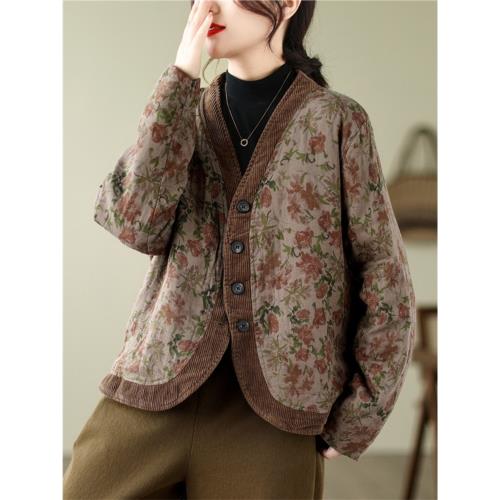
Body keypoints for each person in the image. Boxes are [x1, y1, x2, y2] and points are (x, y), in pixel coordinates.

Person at [64, 0, 416, 498]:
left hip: (273, 414)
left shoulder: (337, 122)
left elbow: (386, 277)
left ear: (288, 3)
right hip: (158, 386)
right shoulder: (183, 112)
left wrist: (360, 413)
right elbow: (133, 223)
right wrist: (181, 77)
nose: (210, 5)